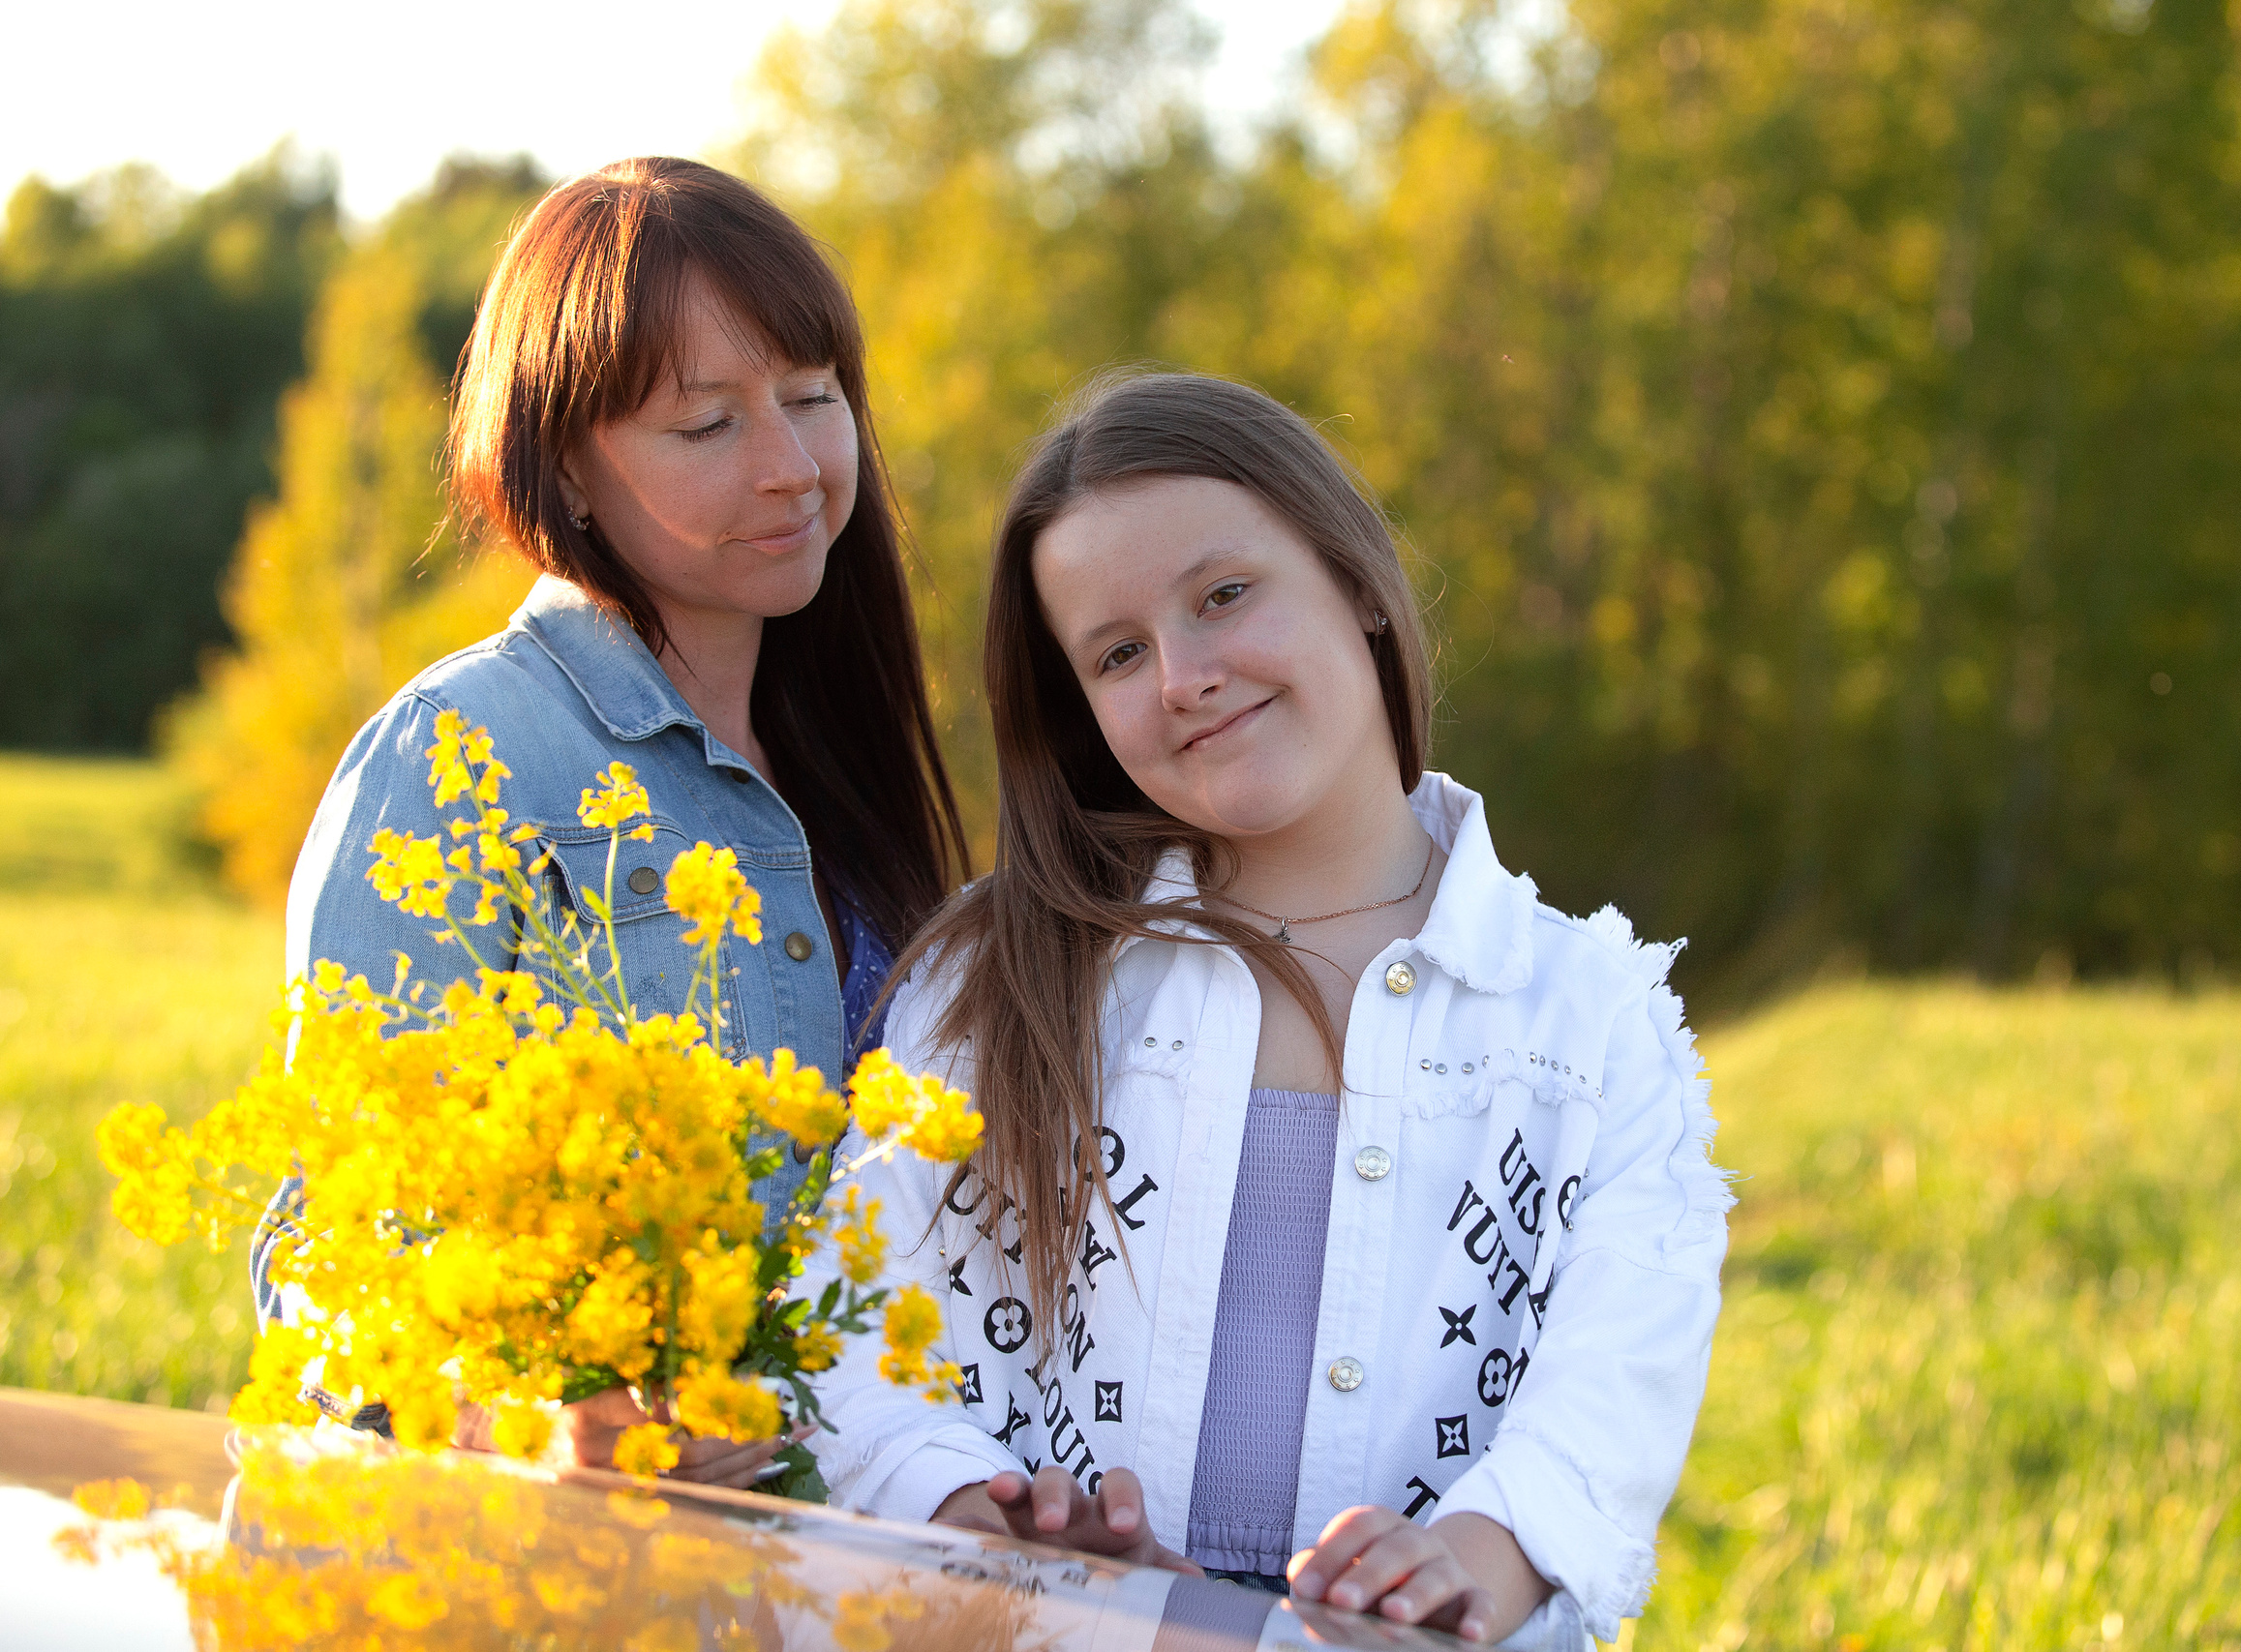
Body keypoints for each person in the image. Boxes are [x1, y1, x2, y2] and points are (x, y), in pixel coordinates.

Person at [792, 372, 1731, 1648]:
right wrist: (986, 1524)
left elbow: (1619, 1386)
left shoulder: (1592, 1020)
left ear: (1355, 582)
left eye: (1223, 596)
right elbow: (843, 1316)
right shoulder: (993, 975)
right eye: (1118, 654)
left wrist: (1465, 1565)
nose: (1183, 675)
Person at [248, 157, 967, 1489]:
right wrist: (521, 1425)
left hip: (852, 1547)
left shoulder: (844, 752)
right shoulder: (466, 755)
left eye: (813, 401)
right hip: (586, 1576)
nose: (793, 468)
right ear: (567, 472)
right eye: (707, 427)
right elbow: (327, 1248)